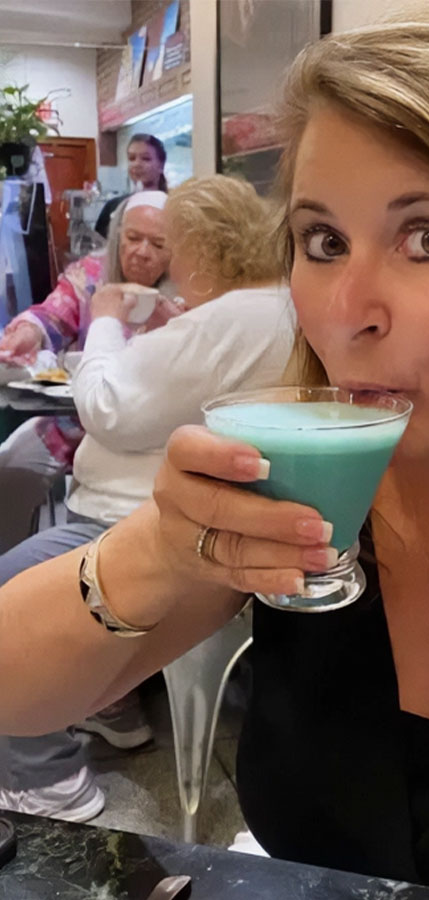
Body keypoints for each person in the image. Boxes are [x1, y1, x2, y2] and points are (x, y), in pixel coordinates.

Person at [1, 4, 429, 897]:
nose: (346, 308)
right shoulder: (299, 500)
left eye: (427, 238)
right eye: (322, 242)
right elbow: (12, 695)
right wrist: (156, 551)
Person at [0, 174, 293, 823]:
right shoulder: (255, 307)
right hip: (154, 508)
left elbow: (109, 408)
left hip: (129, 517)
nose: (150, 253)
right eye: (133, 238)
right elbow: (52, 315)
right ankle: (108, 703)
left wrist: (106, 323)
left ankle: (46, 780)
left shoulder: (223, 315)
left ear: (194, 246)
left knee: (13, 596)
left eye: (165, 243)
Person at [0, 191, 176, 483]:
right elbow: (53, 313)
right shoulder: (92, 275)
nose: (142, 252)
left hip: (148, 438)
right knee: (9, 470)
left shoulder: (182, 292)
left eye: (158, 244)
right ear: (117, 237)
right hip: (73, 421)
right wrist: (28, 332)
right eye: (133, 238)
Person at [95, 134, 167, 240]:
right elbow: (99, 247)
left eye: (146, 159)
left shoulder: (170, 206)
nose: (137, 164)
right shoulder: (113, 207)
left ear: (161, 165)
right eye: (132, 158)